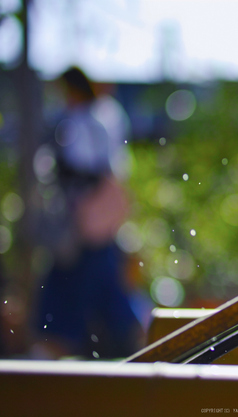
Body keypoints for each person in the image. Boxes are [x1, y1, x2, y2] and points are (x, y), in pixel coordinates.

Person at [32, 67, 142, 359]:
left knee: (66, 306)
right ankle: (141, 351)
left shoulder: (83, 121)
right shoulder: (103, 116)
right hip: (97, 231)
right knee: (110, 299)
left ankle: (50, 364)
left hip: (83, 231)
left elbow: (81, 169)